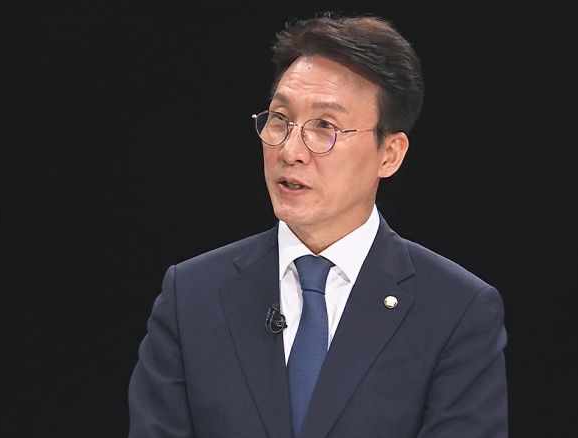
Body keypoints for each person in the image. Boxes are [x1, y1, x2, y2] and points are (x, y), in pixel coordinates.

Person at [128, 13, 508, 438]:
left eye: (324, 126)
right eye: (280, 119)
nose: (290, 150)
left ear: (390, 154)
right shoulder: (191, 296)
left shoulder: (456, 312)